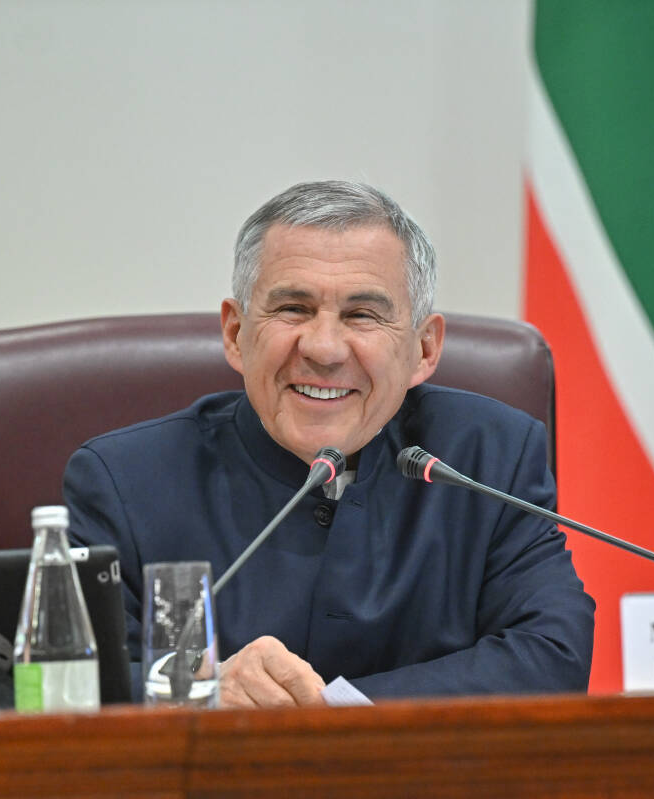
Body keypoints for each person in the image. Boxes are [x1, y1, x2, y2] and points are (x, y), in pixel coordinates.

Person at [65, 180, 594, 708]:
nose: (323, 349)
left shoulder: (491, 456)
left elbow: (552, 654)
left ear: (424, 349)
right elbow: (65, 680)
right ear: (235, 334)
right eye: (293, 308)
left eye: (362, 315)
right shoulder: (124, 480)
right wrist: (200, 691)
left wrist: (335, 712)